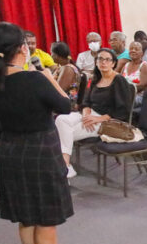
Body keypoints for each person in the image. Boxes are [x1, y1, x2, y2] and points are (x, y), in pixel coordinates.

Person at [0, 22, 75, 244]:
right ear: (23, 48)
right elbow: (66, 106)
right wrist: (48, 77)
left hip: (9, 151)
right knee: (46, 216)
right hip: (40, 150)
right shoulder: (34, 79)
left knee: (26, 214)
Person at [55, 48, 133, 179]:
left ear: (113, 63)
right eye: (100, 59)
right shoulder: (97, 79)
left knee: (64, 132)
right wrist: (86, 114)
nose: (103, 62)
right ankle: (66, 167)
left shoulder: (119, 80)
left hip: (108, 121)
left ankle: (64, 166)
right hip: (90, 114)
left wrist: (98, 119)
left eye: (107, 59)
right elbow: (86, 102)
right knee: (61, 120)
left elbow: (123, 111)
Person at [121, 41, 147, 106]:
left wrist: (124, 91)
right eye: (131, 49)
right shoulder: (126, 65)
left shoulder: (145, 66)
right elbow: (120, 81)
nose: (133, 50)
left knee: (118, 100)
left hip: (140, 96)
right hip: (125, 94)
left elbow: (142, 86)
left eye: (136, 49)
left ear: (142, 53)